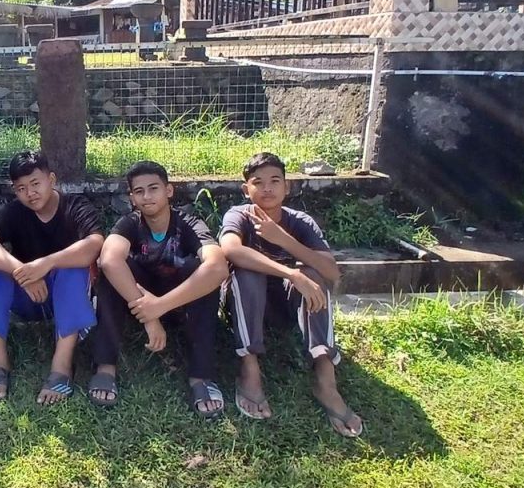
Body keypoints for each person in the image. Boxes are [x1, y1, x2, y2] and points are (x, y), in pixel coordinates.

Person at [219, 152, 363, 437]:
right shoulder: (239, 215)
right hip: (245, 304)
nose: (267, 188)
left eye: (275, 181)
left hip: (288, 307)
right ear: (246, 189)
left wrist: (283, 239)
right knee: (247, 272)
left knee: (314, 275)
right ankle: (249, 367)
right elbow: (231, 250)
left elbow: (331, 271)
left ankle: (325, 378)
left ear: (287, 187)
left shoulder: (300, 221)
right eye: (258, 182)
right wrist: (291, 273)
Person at [89, 161, 229, 418]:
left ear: (168, 190)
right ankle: (105, 368)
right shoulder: (129, 224)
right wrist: (150, 316)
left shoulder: (189, 224)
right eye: (139, 191)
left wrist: (160, 305)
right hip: (139, 305)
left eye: (153, 188)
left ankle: (201, 377)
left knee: (202, 272)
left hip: (179, 305)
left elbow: (219, 267)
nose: (146, 196)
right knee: (111, 272)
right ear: (132, 198)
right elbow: (108, 260)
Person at [0, 151, 103, 405]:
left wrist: (46, 263)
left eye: (35, 183)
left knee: (74, 267)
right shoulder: (15, 211)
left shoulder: (75, 206)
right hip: (25, 296)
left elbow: (95, 244)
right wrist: (22, 272)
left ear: (51, 179)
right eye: (21, 188)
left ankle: (62, 366)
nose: (30, 193)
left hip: (63, 298)